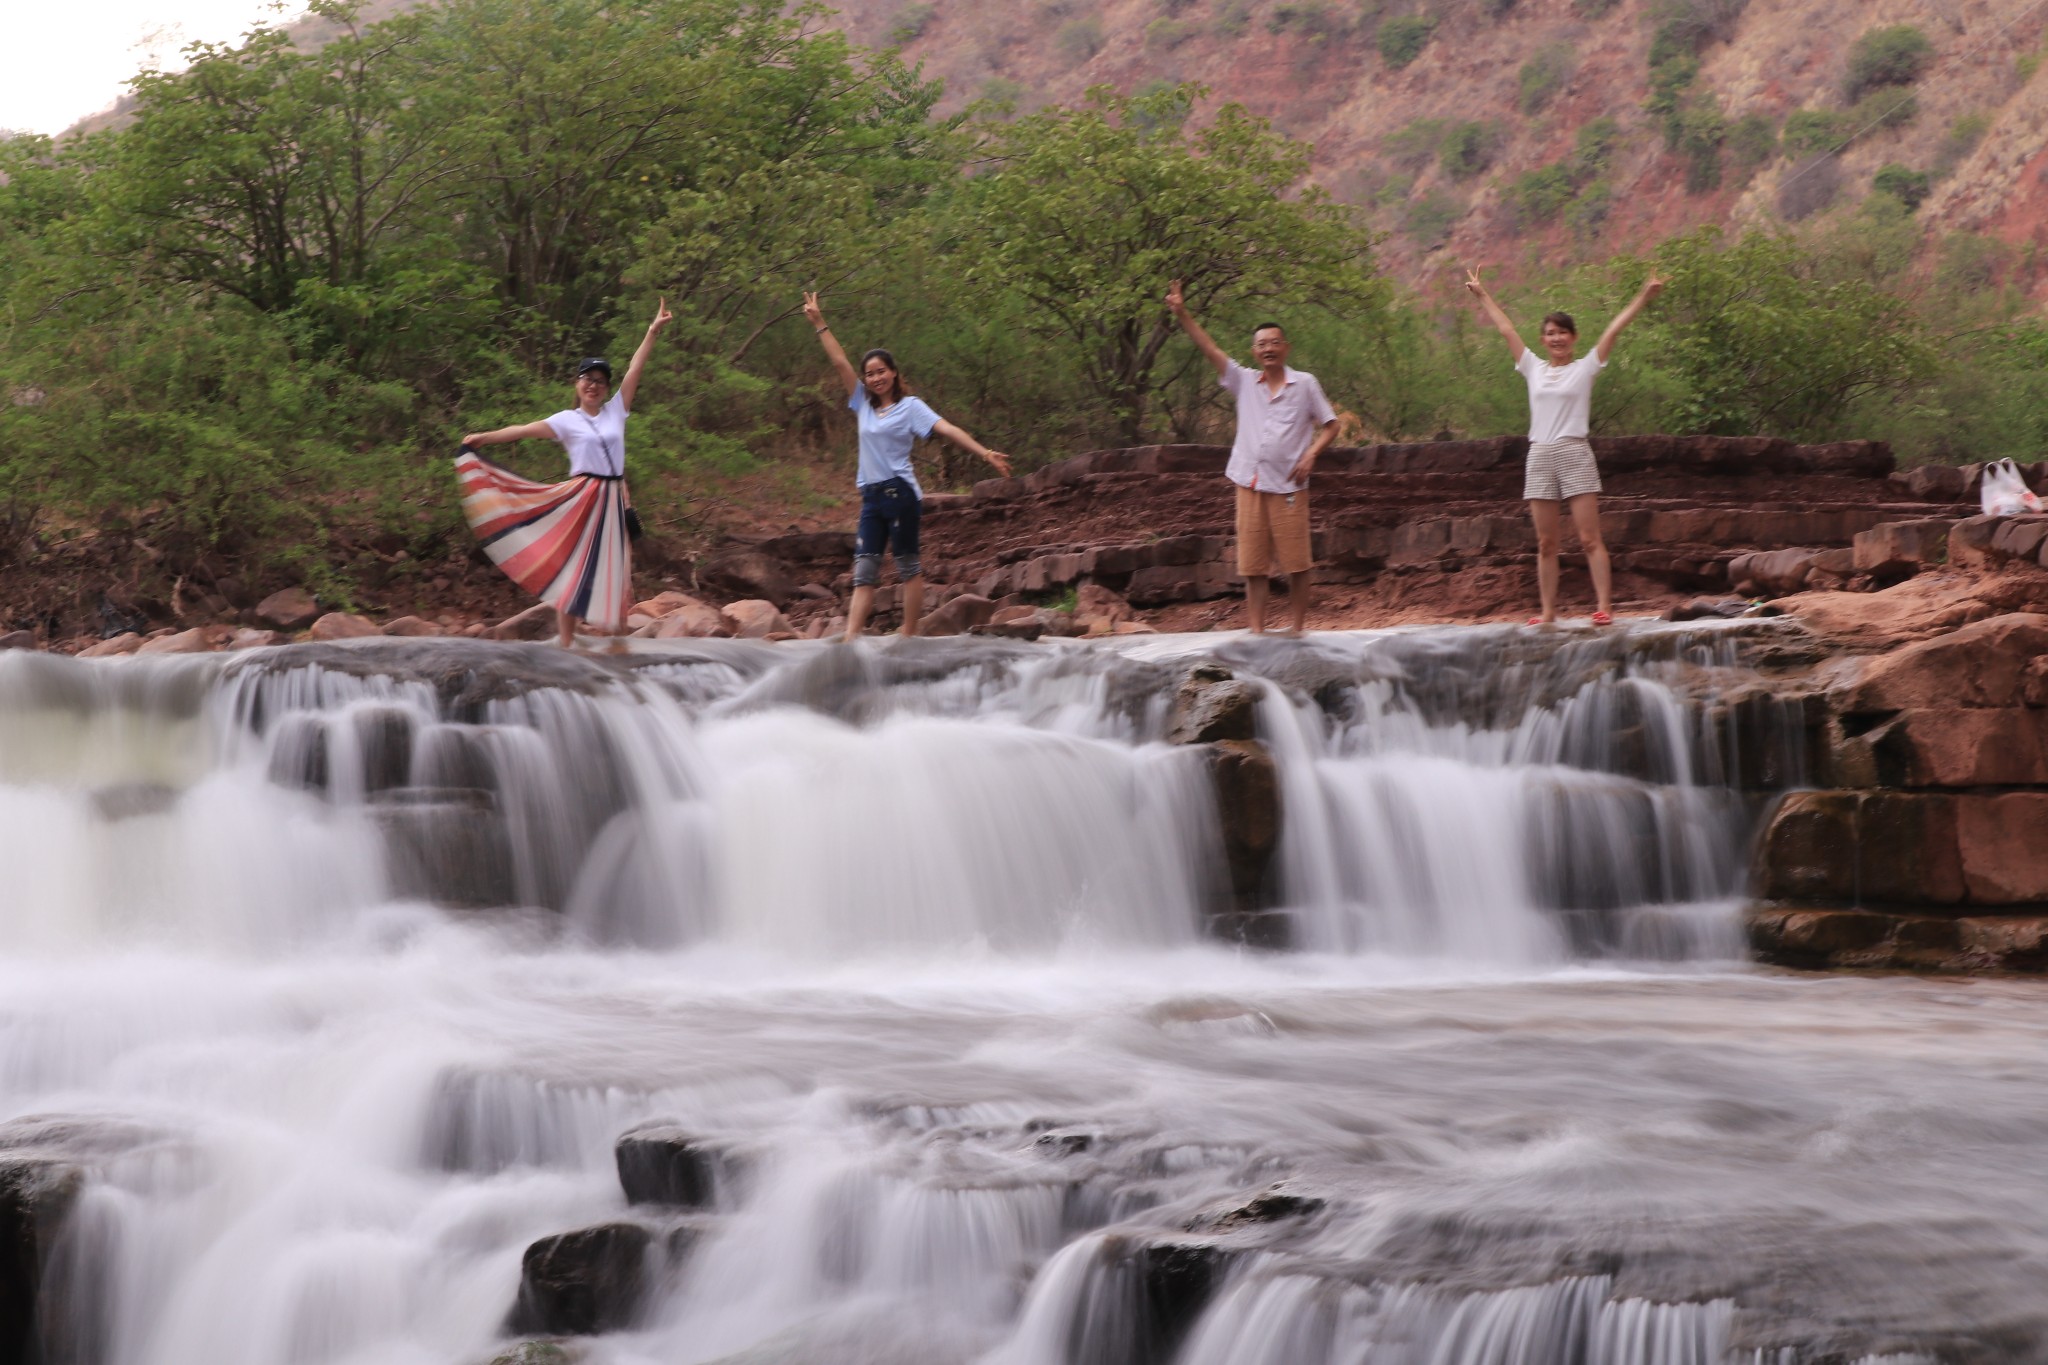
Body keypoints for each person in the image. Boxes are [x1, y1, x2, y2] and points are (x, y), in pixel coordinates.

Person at [457, 299, 672, 649]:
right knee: (574, 571)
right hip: (581, 496)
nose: (595, 385)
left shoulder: (617, 411)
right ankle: (567, 645)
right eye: (588, 378)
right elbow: (524, 429)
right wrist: (484, 437)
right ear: (577, 383)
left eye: (601, 381)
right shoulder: (566, 420)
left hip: (614, 498)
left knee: (617, 574)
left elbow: (635, 369)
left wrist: (651, 332)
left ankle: (619, 646)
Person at [802, 292, 1013, 641]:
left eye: (881, 371)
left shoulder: (910, 407)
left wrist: (984, 452)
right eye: (869, 374)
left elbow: (947, 428)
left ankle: (909, 637)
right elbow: (840, 363)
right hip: (871, 498)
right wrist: (819, 323)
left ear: (894, 373)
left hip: (899, 494)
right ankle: (852, 641)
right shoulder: (862, 405)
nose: (875, 378)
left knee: (907, 567)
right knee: (864, 570)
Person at [1464, 268, 1664, 627]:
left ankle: (1604, 607)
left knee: (1589, 537)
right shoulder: (1532, 368)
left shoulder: (1585, 367)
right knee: (1545, 543)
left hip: (1574, 452)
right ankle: (1548, 612)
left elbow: (1613, 330)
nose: (1556, 339)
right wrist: (1481, 294)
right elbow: (1506, 329)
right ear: (1543, 339)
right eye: (1550, 333)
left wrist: (1643, 297)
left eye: (1562, 333)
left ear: (1573, 337)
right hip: (1540, 454)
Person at [1166, 280, 1338, 636]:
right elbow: (1210, 349)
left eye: (1275, 342)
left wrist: (1311, 454)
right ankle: (1257, 632)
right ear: (1254, 351)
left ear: (1286, 347)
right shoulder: (1244, 381)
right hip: (1249, 482)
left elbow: (1331, 426)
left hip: (1289, 485)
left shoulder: (1304, 384)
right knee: (1253, 565)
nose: (1269, 348)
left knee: (1297, 562)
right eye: (1262, 344)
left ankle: (1297, 629)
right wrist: (1182, 313)